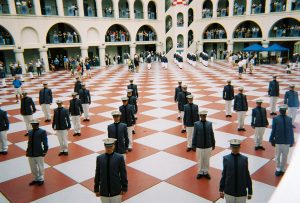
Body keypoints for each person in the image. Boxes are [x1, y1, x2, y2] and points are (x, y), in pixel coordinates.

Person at [94, 138, 128, 203]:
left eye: (110, 146)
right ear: (104, 146)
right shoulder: (99, 158)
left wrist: (124, 187)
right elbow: (97, 174)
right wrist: (96, 189)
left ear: (114, 146)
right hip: (104, 190)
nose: (108, 148)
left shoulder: (119, 158)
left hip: (116, 190)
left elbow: (123, 174)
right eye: (107, 147)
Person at [269, 105, 294, 176]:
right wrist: (271, 139)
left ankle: (282, 169)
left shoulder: (289, 119)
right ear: (280, 111)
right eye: (282, 110)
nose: (283, 112)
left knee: (285, 157)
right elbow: (273, 130)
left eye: (284, 110)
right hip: (278, 141)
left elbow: (291, 131)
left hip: (287, 142)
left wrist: (292, 141)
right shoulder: (275, 119)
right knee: (277, 156)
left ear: (285, 111)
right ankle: (278, 168)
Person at [192, 110, 215, 179]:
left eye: (204, 115)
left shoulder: (209, 124)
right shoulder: (196, 124)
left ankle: (206, 172)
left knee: (207, 160)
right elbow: (194, 135)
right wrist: (193, 145)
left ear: (206, 116)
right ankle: (200, 172)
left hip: (208, 145)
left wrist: (213, 144)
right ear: (200, 116)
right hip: (199, 145)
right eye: (202, 116)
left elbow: (211, 134)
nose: (203, 117)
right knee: (200, 159)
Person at [26, 120, 48, 186]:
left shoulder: (42, 132)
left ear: (38, 124)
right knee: (33, 167)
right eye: (32, 124)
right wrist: (27, 151)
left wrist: (45, 151)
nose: (34, 125)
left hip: (39, 152)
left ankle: (41, 179)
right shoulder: (30, 132)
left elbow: (45, 142)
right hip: (30, 153)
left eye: (35, 124)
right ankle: (35, 178)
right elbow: (29, 142)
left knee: (40, 166)